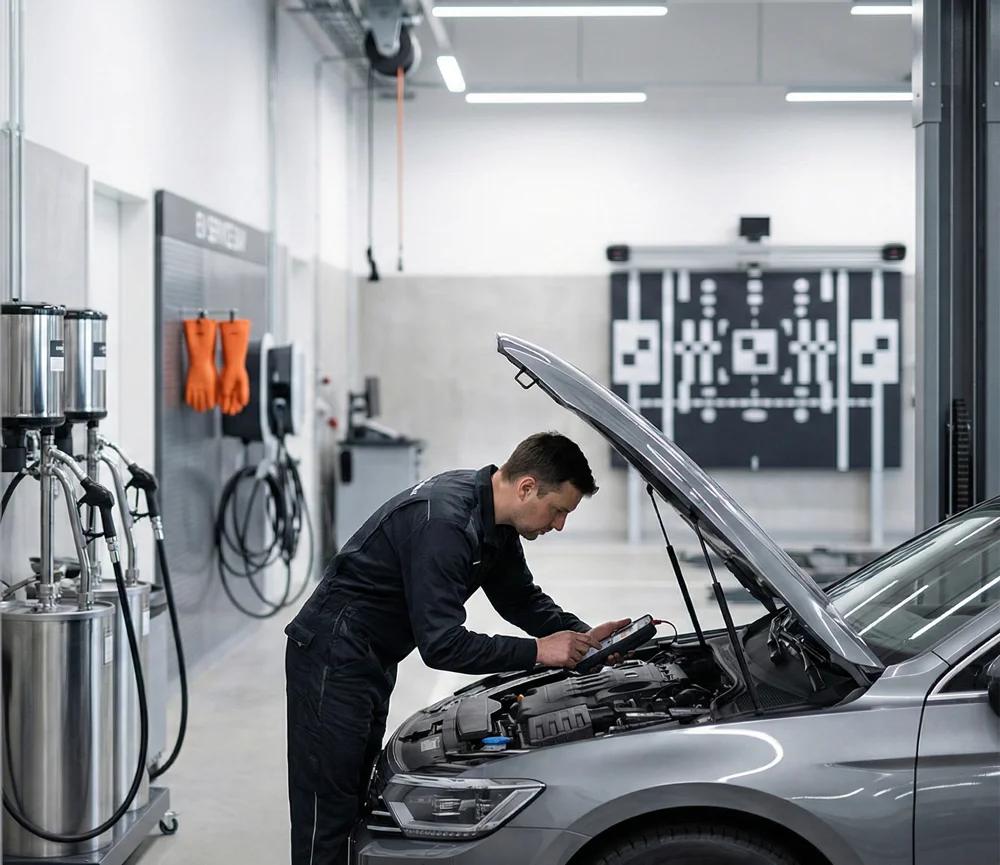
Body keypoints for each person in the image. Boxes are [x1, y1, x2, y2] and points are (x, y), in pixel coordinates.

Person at [283, 431, 630, 864]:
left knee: (356, 797)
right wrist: (538, 652)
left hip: (369, 656)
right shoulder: (446, 523)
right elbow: (443, 645)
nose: (558, 524)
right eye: (558, 510)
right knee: (328, 809)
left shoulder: (496, 522)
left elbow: (520, 598)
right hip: (331, 660)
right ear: (527, 488)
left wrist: (583, 638)